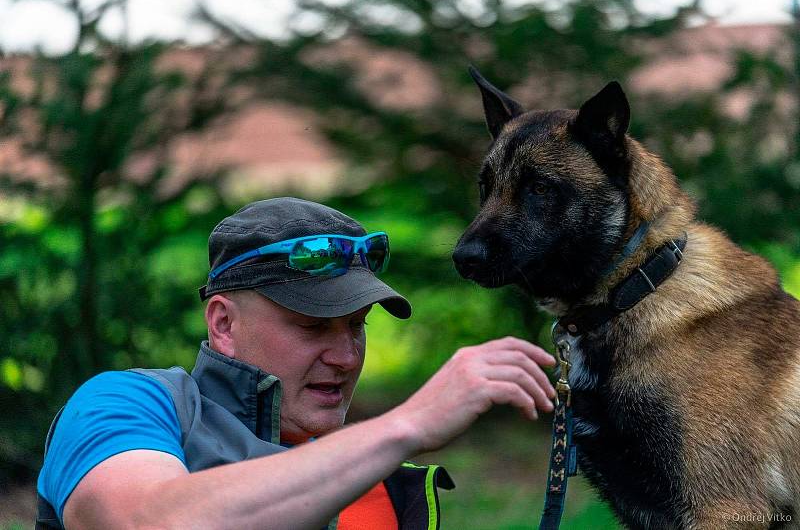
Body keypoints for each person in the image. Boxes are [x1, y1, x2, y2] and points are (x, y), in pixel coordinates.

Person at [36, 197, 557, 530]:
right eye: (312, 327)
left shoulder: (367, 472)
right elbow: (152, 523)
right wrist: (407, 423)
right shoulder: (128, 405)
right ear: (223, 324)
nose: (346, 356)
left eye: (358, 325)